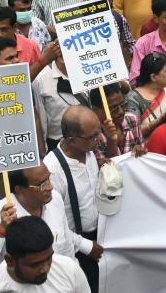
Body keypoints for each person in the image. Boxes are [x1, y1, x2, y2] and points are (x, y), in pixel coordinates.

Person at [42, 107, 103, 292]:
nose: (98, 139)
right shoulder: (52, 170)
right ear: (71, 140)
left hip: (99, 237)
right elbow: (56, 225)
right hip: (78, 249)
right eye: (92, 136)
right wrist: (85, 246)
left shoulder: (89, 151)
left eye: (98, 132)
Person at [0, 216, 90, 292]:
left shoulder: (69, 269)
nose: (45, 268)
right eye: (35, 264)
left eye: (49, 258)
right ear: (10, 261)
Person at [126, 52, 166, 138]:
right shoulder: (133, 99)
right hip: (149, 149)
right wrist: (159, 121)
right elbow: (133, 134)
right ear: (153, 77)